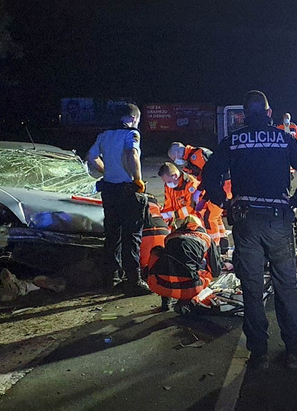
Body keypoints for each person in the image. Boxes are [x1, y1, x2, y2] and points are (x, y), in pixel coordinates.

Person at [202, 90, 297, 370]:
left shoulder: (233, 141)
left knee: (252, 289)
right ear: (268, 113)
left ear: (243, 115)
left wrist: (225, 202)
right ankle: (295, 352)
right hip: (278, 220)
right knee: (286, 287)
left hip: (246, 223)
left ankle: (259, 354)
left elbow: (209, 174)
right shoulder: (283, 138)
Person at [87, 103, 151, 295]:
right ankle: (134, 281)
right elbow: (132, 154)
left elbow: (91, 156)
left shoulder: (104, 135)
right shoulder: (131, 134)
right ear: (133, 118)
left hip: (109, 191)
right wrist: (137, 179)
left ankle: (111, 279)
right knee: (131, 236)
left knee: (112, 235)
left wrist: (106, 171)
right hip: (127, 190)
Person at [146, 215, 222, 313]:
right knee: (208, 272)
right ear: (199, 225)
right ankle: (184, 302)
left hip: (159, 284)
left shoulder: (170, 237)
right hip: (189, 288)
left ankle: (166, 303)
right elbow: (215, 270)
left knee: (162, 256)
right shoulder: (206, 238)